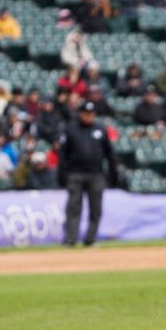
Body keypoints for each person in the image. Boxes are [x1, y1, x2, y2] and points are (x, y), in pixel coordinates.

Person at [58, 101, 118, 247]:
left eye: (91, 114)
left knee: (95, 208)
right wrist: (62, 174)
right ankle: (70, 239)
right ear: (80, 114)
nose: (88, 117)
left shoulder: (100, 129)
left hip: (96, 174)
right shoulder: (71, 129)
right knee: (73, 208)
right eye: (86, 114)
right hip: (75, 174)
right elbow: (63, 154)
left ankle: (91, 238)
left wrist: (112, 172)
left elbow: (109, 154)